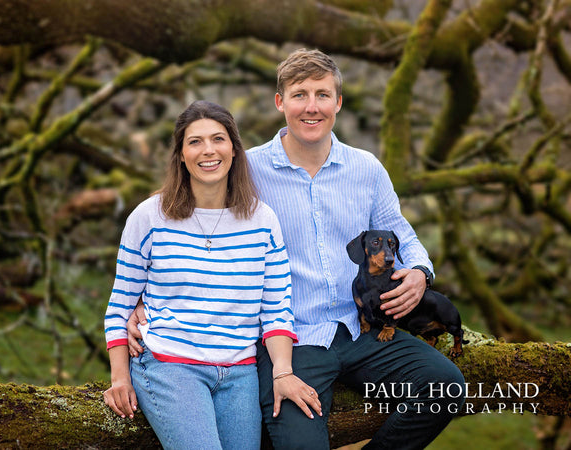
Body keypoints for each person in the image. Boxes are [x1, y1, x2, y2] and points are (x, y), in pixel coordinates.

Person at [128, 50, 465, 449]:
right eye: (299, 94)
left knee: (446, 387)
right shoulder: (247, 170)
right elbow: (175, 206)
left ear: (338, 102)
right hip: (289, 343)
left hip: (364, 329)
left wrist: (420, 271)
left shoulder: (367, 168)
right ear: (280, 103)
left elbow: (401, 234)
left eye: (322, 94)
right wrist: (140, 299)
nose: (311, 106)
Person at [102, 100, 321, 450]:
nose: (208, 150)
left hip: (240, 373)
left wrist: (283, 371)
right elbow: (118, 308)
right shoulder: (149, 217)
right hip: (168, 365)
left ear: (234, 149)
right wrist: (119, 378)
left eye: (218, 139)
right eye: (195, 141)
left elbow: (276, 309)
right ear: (181, 154)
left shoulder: (262, 221)